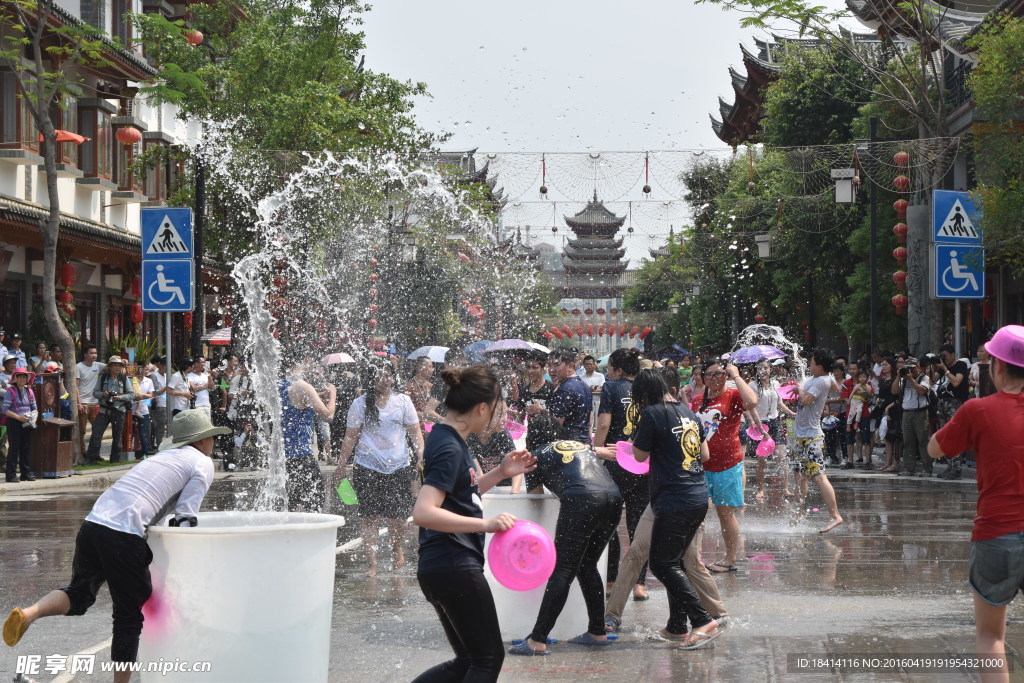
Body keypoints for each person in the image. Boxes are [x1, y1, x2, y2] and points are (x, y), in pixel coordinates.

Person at [2, 409, 229, 682]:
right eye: (212, 437)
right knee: (128, 617)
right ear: (202, 440)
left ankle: (29, 614)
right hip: (123, 535)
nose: (213, 442)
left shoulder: (163, 457)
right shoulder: (202, 463)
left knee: (79, 594)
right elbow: (184, 518)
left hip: (93, 524)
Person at [411, 365, 535, 682]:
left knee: (468, 660)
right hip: (454, 564)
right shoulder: (450, 446)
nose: (496, 418)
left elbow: (462, 494)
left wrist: (501, 473)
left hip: (441, 565)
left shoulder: (447, 438)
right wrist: (486, 525)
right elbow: (424, 512)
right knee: (487, 659)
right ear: (482, 407)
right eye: (495, 410)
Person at [927, 325, 1024, 683]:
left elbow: (935, 449)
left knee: (991, 635)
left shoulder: (978, 410)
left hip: (996, 532)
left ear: (996, 366)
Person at [511, 416, 622, 655]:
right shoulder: (581, 446)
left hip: (581, 500)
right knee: (587, 565)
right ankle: (596, 631)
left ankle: (537, 639)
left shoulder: (536, 455)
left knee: (561, 570)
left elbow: (535, 498)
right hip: (613, 498)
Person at [630, 368, 722, 649]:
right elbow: (704, 455)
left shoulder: (651, 414)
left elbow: (638, 455)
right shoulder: (686, 410)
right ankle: (676, 626)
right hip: (696, 495)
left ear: (643, 394)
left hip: (675, 499)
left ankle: (702, 620)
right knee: (676, 561)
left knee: (661, 563)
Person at [333, 361, 419, 575]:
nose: (385, 380)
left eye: (388, 375)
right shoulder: (360, 404)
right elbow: (350, 437)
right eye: (380, 376)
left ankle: (396, 547)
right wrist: (341, 466)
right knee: (369, 517)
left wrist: (421, 456)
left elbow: (415, 432)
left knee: (397, 516)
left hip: (398, 465)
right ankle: (372, 565)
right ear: (371, 380)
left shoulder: (403, 401)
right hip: (367, 465)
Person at [692, 358, 758, 572]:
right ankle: (694, 557)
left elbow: (753, 402)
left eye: (719, 373)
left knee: (724, 512)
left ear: (726, 375)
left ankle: (730, 558)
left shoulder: (733, 395)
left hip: (728, 463)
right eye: (709, 374)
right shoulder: (699, 400)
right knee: (696, 512)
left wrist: (737, 375)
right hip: (701, 464)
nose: (714, 378)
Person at [592, 347, 648, 599]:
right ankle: (639, 585)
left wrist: (597, 450)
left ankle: (612, 580)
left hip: (616, 462)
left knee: (610, 522)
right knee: (638, 526)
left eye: (609, 367)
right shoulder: (646, 388)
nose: (608, 372)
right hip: (642, 462)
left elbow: (604, 423)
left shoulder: (611, 387)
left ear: (618, 370)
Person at [792, 348, 845, 533]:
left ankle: (835, 515)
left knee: (819, 476)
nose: (809, 364)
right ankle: (799, 512)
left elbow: (806, 400)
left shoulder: (821, 380)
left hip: (811, 436)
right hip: (803, 435)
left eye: (812, 362)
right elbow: (835, 387)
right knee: (801, 475)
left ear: (820, 366)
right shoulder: (824, 378)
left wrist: (799, 390)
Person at [279, 360, 335, 513]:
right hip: (301, 454)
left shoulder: (281, 384)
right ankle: (309, 535)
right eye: (308, 362)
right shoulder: (303, 386)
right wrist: (332, 393)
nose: (311, 367)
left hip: (284, 455)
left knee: (293, 503)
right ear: (300, 363)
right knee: (314, 501)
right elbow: (328, 416)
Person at [751, 359, 795, 499]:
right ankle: (760, 489)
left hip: (775, 423)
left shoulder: (775, 384)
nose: (762, 371)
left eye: (765, 368)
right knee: (762, 460)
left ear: (770, 370)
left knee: (781, 457)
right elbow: (750, 407)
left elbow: (780, 403)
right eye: (759, 368)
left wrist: (791, 413)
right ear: (756, 371)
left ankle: (786, 489)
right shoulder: (752, 386)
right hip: (761, 424)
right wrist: (755, 423)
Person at [85, 357, 135, 465]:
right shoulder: (103, 378)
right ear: (110, 366)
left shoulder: (124, 378)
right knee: (96, 433)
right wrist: (103, 394)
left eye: (119, 365)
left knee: (117, 436)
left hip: (119, 410)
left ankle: (115, 459)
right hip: (104, 409)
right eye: (115, 365)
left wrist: (120, 397)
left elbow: (132, 394)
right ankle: (91, 457)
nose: (117, 367)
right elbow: (95, 393)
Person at [467, 399, 522, 493]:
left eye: (505, 413)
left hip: (504, 489)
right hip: (483, 487)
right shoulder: (469, 438)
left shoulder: (503, 435)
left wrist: (514, 493)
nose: (505, 419)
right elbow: (479, 476)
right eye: (499, 415)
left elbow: (517, 470)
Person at [935, 343, 971, 479]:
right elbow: (933, 381)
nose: (944, 358)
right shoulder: (942, 367)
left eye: (945, 356)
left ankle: (956, 468)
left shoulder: (960, 365)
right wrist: (935, 367)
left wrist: (945, 369)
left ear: (952, 354)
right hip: (942, 403)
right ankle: (949, 466)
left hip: (955, 403)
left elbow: (956, 382)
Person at [546, 348, 592, 443]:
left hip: (568, 447)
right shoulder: (585, 386)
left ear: (570, 366)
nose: (551, 370)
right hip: (584, 444)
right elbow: (589, 421)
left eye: (557, 365)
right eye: (549, 365)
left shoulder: (564, 389)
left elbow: (556, 425)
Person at [896, 356, 932, 477]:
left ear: (917, 367)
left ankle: (927, 468)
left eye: (912, 368)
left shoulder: (924, 377)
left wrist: (911, 380)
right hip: (907, 412)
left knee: (923, 441)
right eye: (907, 368)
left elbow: (922, 391)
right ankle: (909, 468)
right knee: (907, 442)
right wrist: (898, 376)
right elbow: (894, 391)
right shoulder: (904, 379)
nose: (909, 371)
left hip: (921, 412)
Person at [4, 367, 37, 482]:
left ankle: (25, 474)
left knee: (26, 448)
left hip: (27, 422)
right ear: (15, 378)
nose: (22, 379)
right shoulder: (10, 391)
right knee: (14, 448)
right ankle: (11, 475)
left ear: (27, 378)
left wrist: (32, 418)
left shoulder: (29, 391)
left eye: (24, 376)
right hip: (14, 422)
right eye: (20, 376)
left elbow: (34, 408)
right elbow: (5, 410)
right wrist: (19, 417)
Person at [76, 345, 106, 456]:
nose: (94, 355)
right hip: (83, 404)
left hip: (95, 404)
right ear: (85, 354)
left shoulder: (98, 365)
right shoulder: (78, 367)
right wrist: (78, 403)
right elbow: (75, 386)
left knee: (97, 430)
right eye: (91, 353)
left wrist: (122, 361)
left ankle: (94, 454)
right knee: (81, 431)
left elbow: (111, 367)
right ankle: (82, 454)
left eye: (95, 353)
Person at [516, 354, 553, 419]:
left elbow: (558, 417)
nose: (530, 371)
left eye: (534, 367)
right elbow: (521, 414)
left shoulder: (551, 389)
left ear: (543, 369)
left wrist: (541, 411)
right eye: (528, 367)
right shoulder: (523, 390)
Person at [131, 365, 155, 461]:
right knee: (130, 433)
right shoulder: (131, 379)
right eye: (142, 369)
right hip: (131, 410)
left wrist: (143, 396)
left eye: (146, 369)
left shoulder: (148, 381)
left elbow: (151, 394)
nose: (144, 371)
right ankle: (128, 452)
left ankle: (144, 453)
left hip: (144, 410)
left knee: (143, 433)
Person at [579, 355, 605, 430]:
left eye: (591, 364)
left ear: (594, 364)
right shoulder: (580, 377)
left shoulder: (600, 376)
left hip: (597, 402)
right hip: (585, 403)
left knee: (597, 424)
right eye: (587, 364)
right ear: (584, 366)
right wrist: (591, 389)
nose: (589, 366)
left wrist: (590, 389)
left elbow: (602, 388)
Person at [148, 357, 168, 451]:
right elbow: (155, 392)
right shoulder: (154, 376)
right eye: (164, 366)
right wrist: (166, 387)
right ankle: (159, 445)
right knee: (159, 426)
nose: (166, 368)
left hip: (168, 404)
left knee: (166, 426)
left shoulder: (167, 376)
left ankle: (164, 444)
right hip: (159, 404)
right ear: (159, 365)